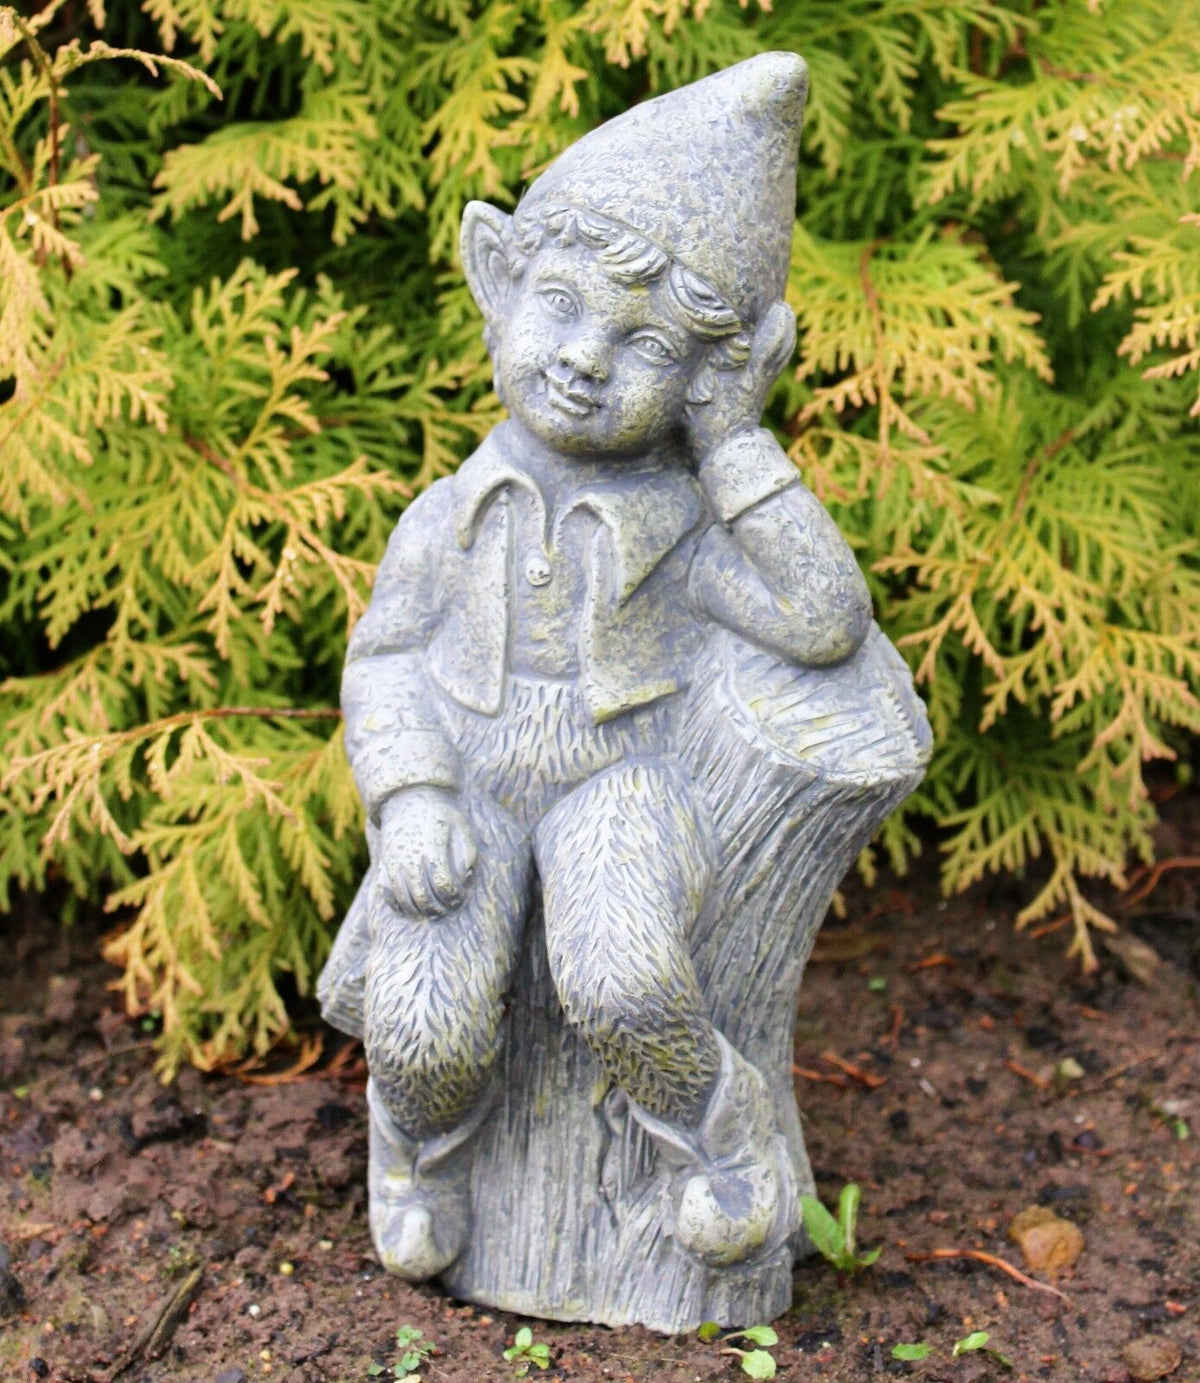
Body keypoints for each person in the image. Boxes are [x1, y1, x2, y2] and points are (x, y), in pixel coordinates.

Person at [330, 52, 871, 1281]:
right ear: (496, 279)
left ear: (702, 376)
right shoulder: (445, 520)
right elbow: (386, 663)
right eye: (563, 307)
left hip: (619, 785)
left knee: (626, 979)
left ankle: (714, 1135)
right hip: (465, 782)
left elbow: (822, 617)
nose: (585, 359)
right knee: (428, 1024)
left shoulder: (676, 526)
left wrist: (733, 441)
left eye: (648, 349)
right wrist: (410, 797)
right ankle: (414, 1140)